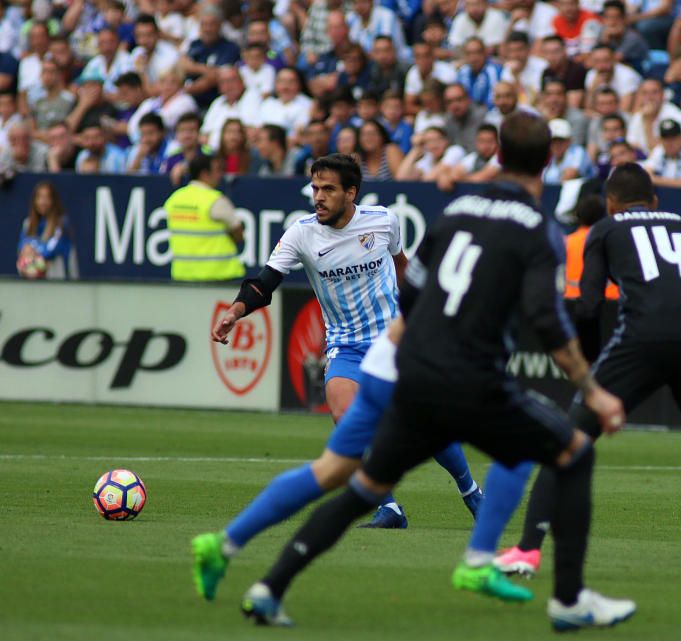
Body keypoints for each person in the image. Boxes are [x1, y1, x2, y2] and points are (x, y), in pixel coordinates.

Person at [238, 114, 636, 631]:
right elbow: (548, 321)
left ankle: (266, 581)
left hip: (411, 365)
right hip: (469, 373)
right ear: (549, 161)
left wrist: (394, 351)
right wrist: (594, 391)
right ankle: (554, 591)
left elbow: (414, 290)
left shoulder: (455, 210)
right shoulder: (539, 230)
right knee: (570, 453)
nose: (317, 195)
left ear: (496, 156)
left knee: (358, 483)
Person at [192, 154, 484, 601]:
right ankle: (388, 506)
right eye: (315, 188)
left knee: (429, 423)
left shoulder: (384, 221)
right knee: (344, 414)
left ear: (351, 193)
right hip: (345, 346)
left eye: (328, 189)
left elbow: (404, 266)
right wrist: (235, 311)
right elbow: (264, 282)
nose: (319, 197)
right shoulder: (302, 234)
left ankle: (471, 493)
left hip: (394, 340)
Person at [495, 161, 681, 585]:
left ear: (610, 204)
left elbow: (588, 306)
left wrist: (589, 370)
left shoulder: (605, 229)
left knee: (567, 443)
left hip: (640, 339)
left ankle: (527, 549)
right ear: (655, 200)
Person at [163, 153, 245, 282]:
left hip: (182, 275)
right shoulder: (215, 200)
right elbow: (238, 234)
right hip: (218, 276)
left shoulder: (174, 199)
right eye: (217, 170)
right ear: (204, 174)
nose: (220, 175)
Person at [17, 181, 78, 280]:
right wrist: (28, 260)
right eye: (39, 197)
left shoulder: (61, 224)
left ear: (53, 201)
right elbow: (22, 247)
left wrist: (34, 253)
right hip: (32, 282)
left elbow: (52, 249)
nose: (42, 202)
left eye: (47, 198)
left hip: (57, 279)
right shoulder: (28, 223)